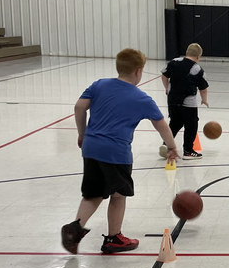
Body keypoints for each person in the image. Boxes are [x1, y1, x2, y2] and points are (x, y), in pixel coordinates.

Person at [60, 48, 179, 255]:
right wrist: (172, 146)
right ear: (138, 71)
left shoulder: (99, 85)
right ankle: (114, 238)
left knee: (93, 192)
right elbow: (161, 125)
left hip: (91, 147)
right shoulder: (142, 98)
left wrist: (82, 133)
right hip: (116, 151)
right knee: (117, 195)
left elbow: (79, 107)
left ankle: (76, 227)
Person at [160, 42, 209, 161]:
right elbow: (203, 88)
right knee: (191, 125)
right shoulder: (197, 69)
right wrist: (204, 100)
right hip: (188, 103)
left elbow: (164, 75)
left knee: (175, 123)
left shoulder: (174, 62)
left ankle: (166, 145)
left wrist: (167, 88)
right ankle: (188, 151)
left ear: (187, 53)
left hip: (172, 100)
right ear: (198, 56)